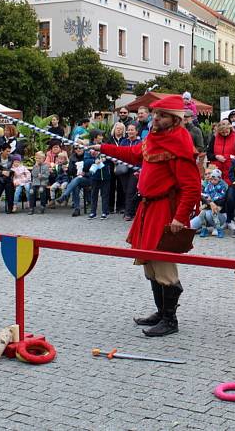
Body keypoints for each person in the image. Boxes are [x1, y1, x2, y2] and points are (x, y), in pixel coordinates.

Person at [95, 95, 201, 338]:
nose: (156, 118)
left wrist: (179, 218)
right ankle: (161, 311)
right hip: (148, 208)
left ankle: (170, 320)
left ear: (175, 119)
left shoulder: (179, 143)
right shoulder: (155, 137)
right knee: (150, 265)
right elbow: (133, 154)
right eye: (155, 113)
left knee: (163, 265)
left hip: (165, 209)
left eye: (162, 115)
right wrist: (101, 147)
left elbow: (191, 186)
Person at [191, 168, 228, 238]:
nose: (208, 177)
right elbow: (202, 196)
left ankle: (218, 228)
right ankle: (204, 229)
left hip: (219, 211)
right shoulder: (207, 185)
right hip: (207, 208)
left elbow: (222, 199)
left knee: (209, 213)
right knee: (199, 217)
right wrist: (209, 202)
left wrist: (209, 201)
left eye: (209, 173)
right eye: (206, 174)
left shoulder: (223, 186)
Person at [206, 118, 235, 185]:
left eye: (227, 131)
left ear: (230, 129)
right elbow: (208, 154)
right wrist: (216, 156)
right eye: (222, 132)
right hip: (216, 175)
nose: (225, 134)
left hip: (230, 172)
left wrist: (232, 158)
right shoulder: (214, 137)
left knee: (230, 194)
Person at [85, 136, 111, 219]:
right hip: (94, 176)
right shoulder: (89, 149)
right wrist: (93, 160)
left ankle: (105, 212)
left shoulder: (106, 148)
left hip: (106, 175)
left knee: (105, 194)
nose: (101, 138)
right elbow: (85, 162)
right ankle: (93, 212)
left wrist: (105, 160)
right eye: (99, 137)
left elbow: (111, 160)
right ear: (94, 138)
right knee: (94, 194)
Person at [106, 122, 128, 215]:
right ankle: (110, 207)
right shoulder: (109, 140)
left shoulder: (125, 140)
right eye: (117, 128)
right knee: (111, 186)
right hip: (111, 165)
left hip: (121, 165)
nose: (119, 130)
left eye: (121, 129)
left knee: (120, 186)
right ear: (114, 129)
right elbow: (106, 150)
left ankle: (120, 207)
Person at [121, 125, 142, 221]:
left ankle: (128, 212)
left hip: (135, 170)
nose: (130, 132)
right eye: (128, 130)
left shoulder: (140, 142)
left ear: (136, 131)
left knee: (131, 191)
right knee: (126, 190)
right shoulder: (124, 142)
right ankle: (132, 210)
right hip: (124, 169)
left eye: (132, 130)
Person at [0, 143, 15, 214]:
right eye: (7, 151)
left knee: (9, 188)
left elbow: (15, 167)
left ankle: (10, 208)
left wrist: (10, 172)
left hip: (8, 178)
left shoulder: (11, 157)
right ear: (2, 151)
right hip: (0, 178)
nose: (8, 153)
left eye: (9, 151)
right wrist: (2, 172)